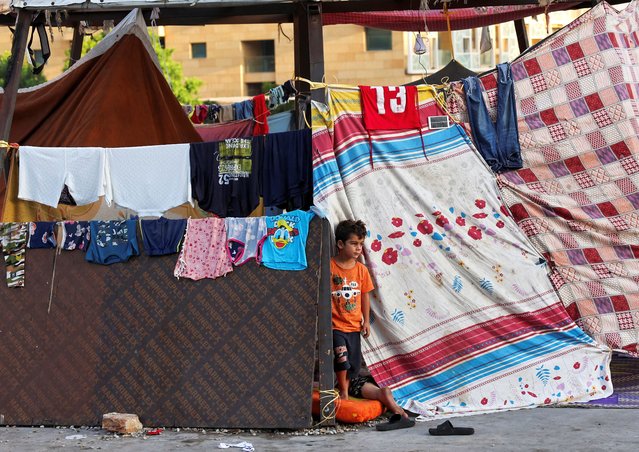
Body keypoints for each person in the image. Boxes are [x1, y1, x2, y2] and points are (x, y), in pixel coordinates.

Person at [331, 219, 414, 429]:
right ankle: (343, 391)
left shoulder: (361, 270)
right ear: (340, 244)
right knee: (341, 358)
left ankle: (381, 395)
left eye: (361, 244)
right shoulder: (330, 267)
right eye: (354, 243)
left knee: (353, 368)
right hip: (335, 325)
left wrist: (366, 321)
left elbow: (365, 296)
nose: (359, 248)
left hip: (353, 326)